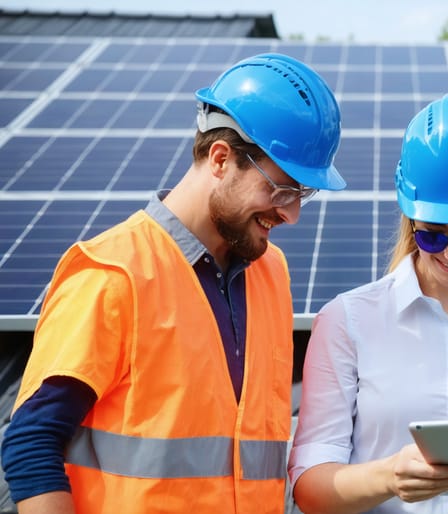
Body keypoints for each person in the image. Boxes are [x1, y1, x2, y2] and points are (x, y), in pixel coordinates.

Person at [0, 53, 345, 514]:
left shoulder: (272, 272)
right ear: (221, 159)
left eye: (303, 194)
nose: (291, 213)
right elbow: (31, 442)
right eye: (282, 189)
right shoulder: (112, 274)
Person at [288, 93, 448, 514]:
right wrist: (389, 475)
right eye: (431, 235)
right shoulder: (347, 321)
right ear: (409, 219)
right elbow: (310, 487)